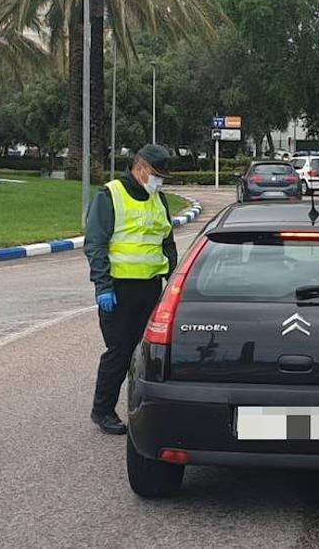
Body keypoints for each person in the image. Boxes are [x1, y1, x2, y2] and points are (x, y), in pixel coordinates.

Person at [84, 144, 178, 435]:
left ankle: (142, 409)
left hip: (151, 289)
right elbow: (95, 244)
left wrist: (173, 282)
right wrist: (103, 286)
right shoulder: (111, 195)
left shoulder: (158, 199)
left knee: (147, 354)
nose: (159, 180)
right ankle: (102, 411)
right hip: (118, 291)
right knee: (120, 352)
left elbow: (167, 242)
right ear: (140, 168)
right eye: (156, 174)